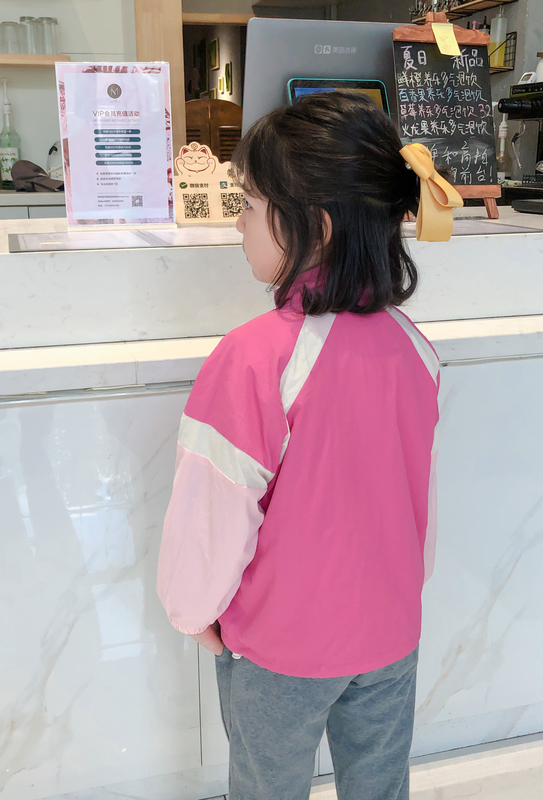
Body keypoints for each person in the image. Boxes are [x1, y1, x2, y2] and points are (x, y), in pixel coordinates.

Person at [157, 91, 460, 800]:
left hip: (282, 647)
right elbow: (418, 500)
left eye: (249, 204)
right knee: (380, 786)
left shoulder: (254, 357)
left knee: (267, 789)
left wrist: (192, 612)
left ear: (314, 225)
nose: (238, 222)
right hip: (390, 634)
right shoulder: (415, 347)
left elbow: (212, 511)